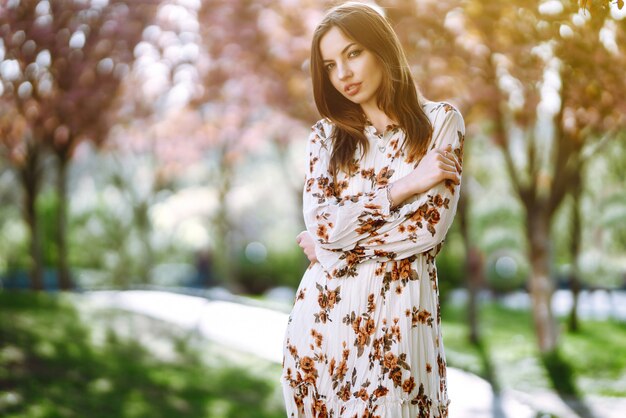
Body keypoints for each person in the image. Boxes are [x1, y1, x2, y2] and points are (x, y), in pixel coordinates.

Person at [281, 2, 465, 417]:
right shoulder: (325, 139)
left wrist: (331, 250)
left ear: (382, 49)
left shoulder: (440, 123)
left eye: (352, 53)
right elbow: (325, 225)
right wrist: (405, 186)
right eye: (329, 65)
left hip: (400, 330)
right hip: (321, 330)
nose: (342, 74)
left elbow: (426, 230)